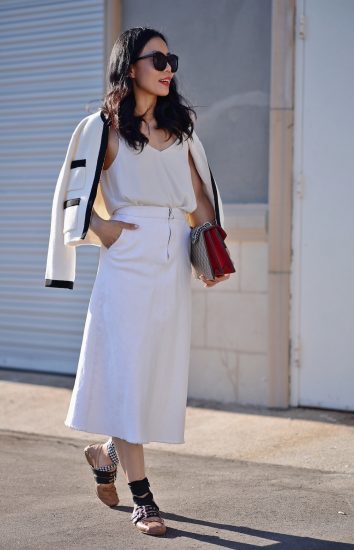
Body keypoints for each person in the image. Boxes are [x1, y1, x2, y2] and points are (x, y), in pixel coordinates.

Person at [63, 26, 231, 537]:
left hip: (169, 261)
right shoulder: (103, 129)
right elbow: (72, 195)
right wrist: (103, 229)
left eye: (170, 59)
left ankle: (106, 452)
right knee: (128, 373)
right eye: (156, 59)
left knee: (152, 377)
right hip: (127, 261)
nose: (167, 68)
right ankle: (144, 500)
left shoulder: (182, 130)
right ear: (129, 65)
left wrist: (211, 253)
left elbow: (199, 197)